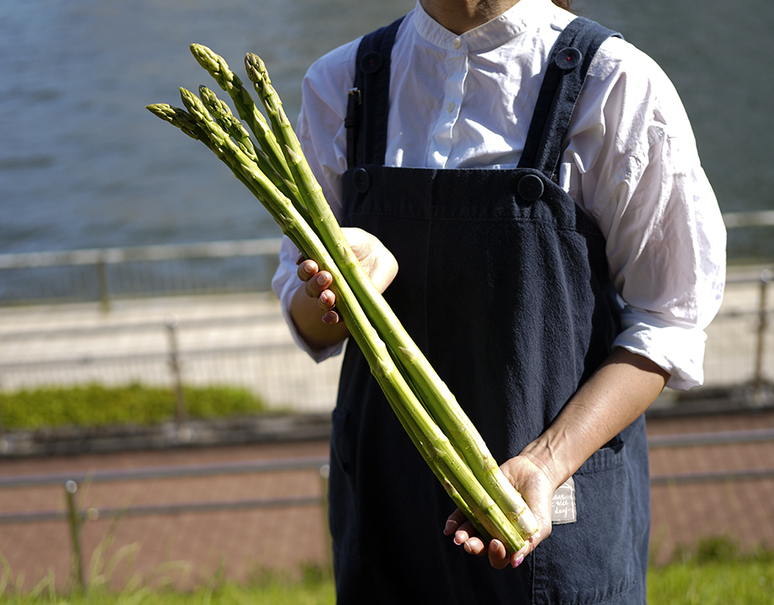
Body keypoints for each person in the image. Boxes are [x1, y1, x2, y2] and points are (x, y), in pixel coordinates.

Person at [271, 0, 726, 602]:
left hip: (553, 518)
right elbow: (311, 323)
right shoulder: (340, 82)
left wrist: (544, 462)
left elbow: (668, 321)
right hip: (384, 517)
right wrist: (338, 283)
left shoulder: (616, 83)